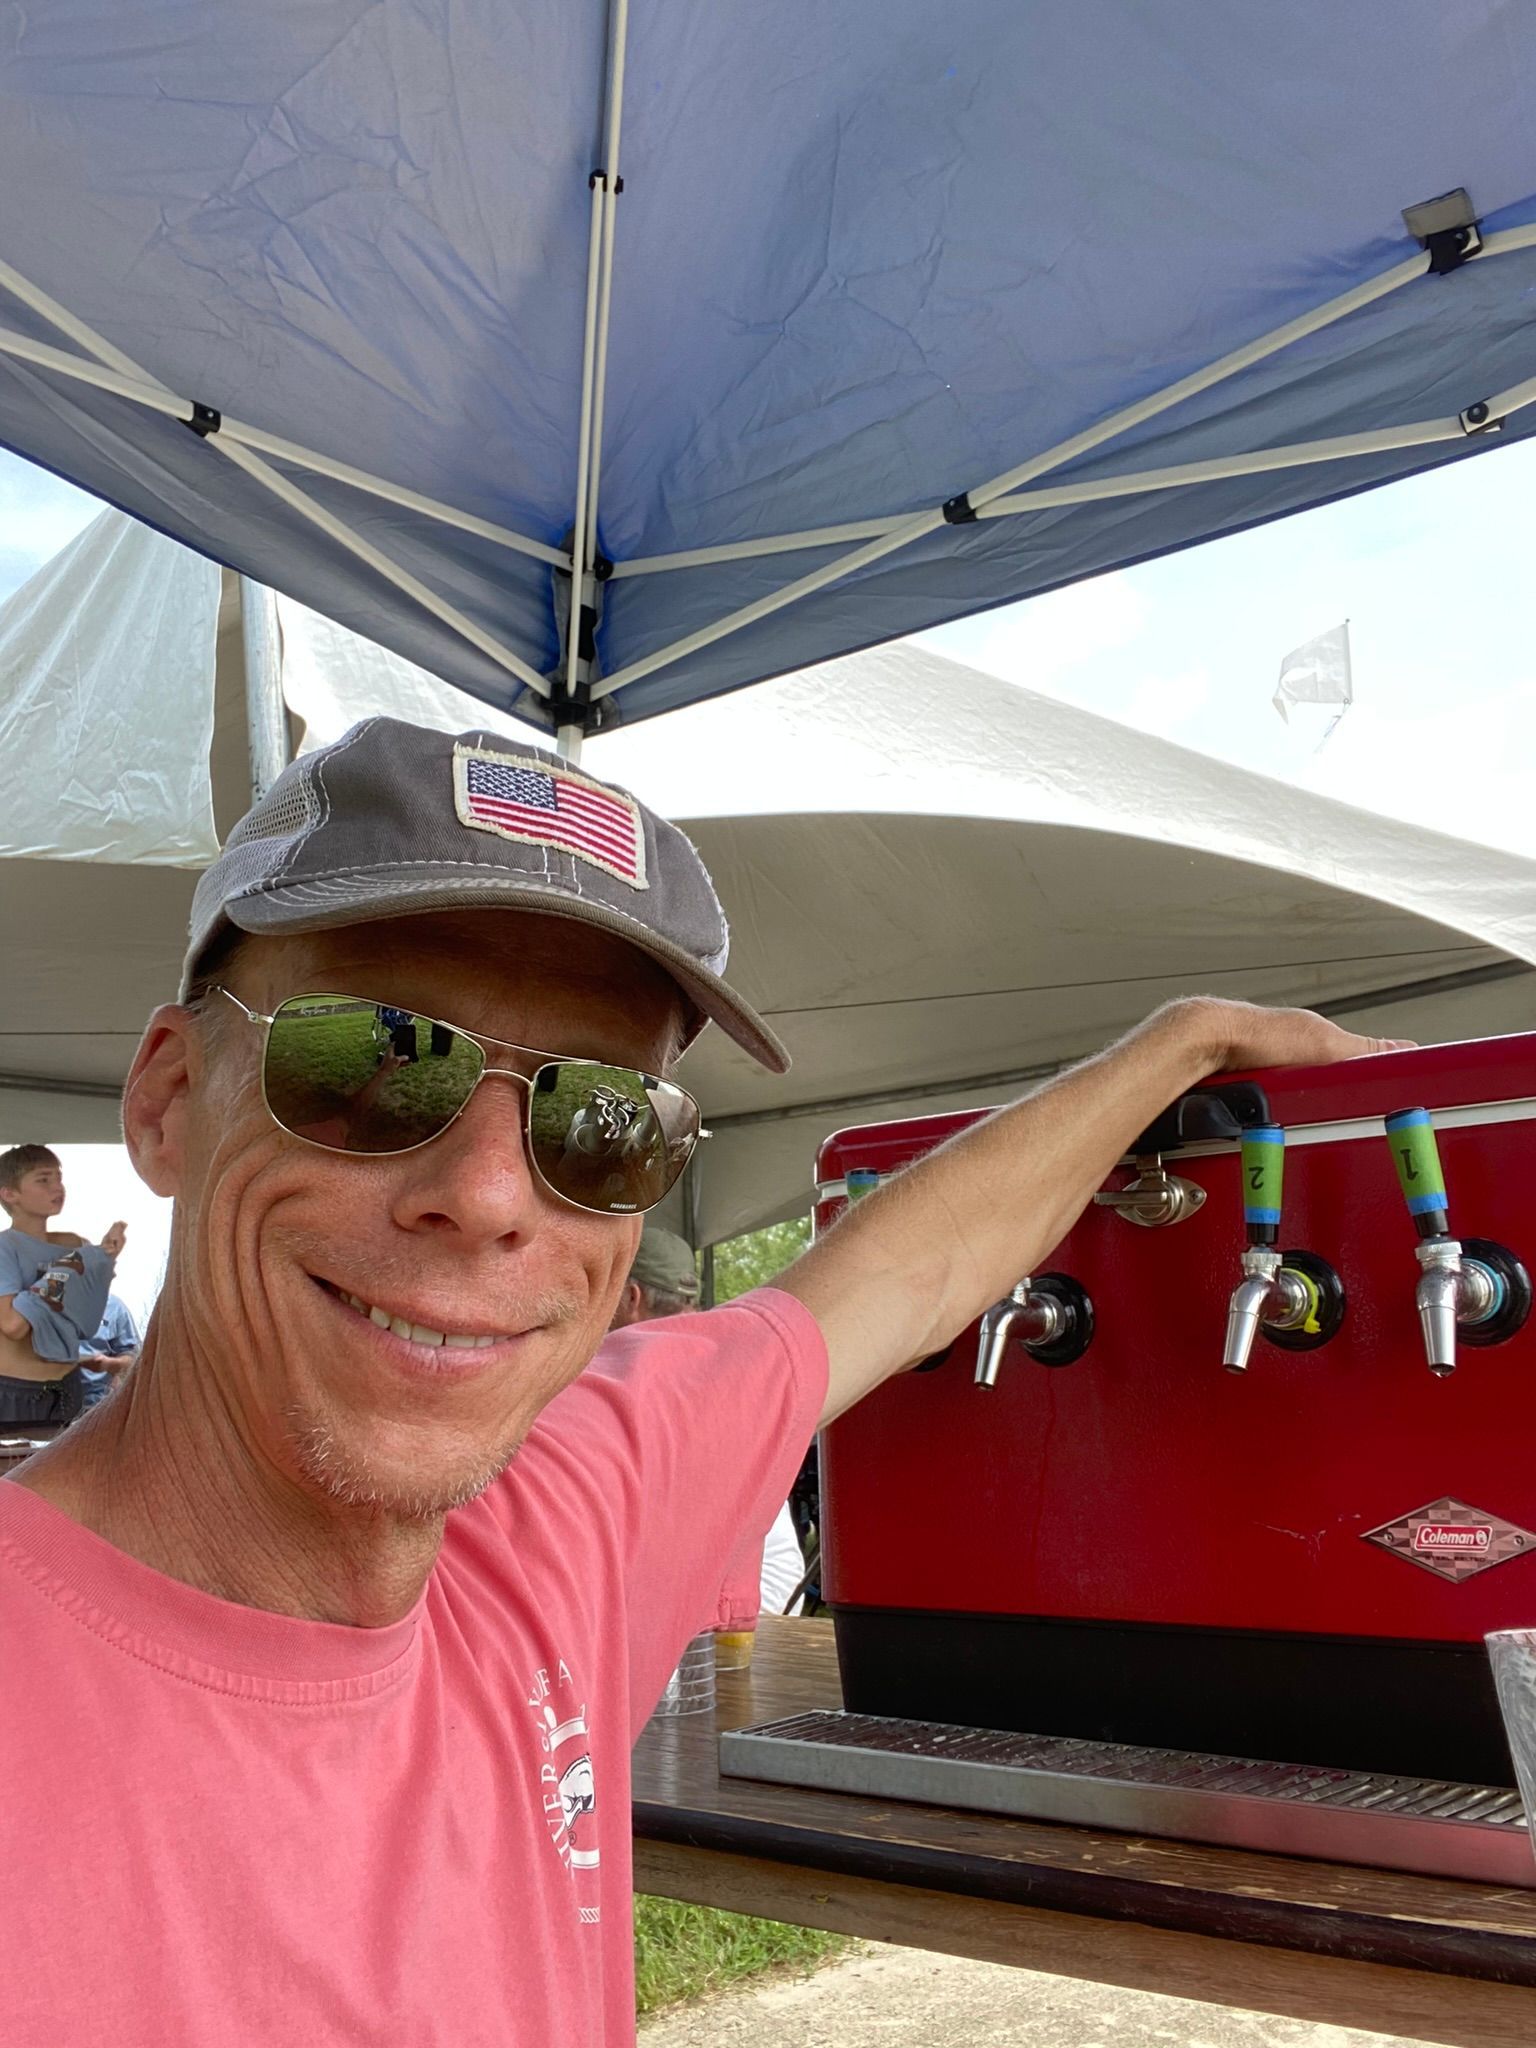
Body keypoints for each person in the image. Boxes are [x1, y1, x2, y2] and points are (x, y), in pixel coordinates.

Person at [0, 718, 1399, 2047]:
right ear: (170, 1101)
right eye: (373, 1062)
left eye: (600, 1122)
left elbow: (897, 1276)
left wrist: (1186, 1041)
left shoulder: (559, 1530)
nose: (489, 1196)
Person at [610, 1226, 806, 1618]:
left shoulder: (628, 1378)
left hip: (699, 1635)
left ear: (630, 1297)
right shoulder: (724, 1368)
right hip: (760, 1613)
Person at [0, 1145, 126, 1430]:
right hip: (17, 1394)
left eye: (58, 1178)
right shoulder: (5, 1247)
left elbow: (83, 1311)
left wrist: (104, 1257)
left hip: (68, 1387)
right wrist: (66, 1271)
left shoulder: (73, 1244)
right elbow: (12, 1325)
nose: (57, 1187)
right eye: (43, 1180)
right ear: (10, 1194)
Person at [78, 1292, 143, 1410]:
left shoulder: (115, 1308)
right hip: (42, 1410)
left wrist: (108, 1364)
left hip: (95, 1410)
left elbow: (135, 1360)